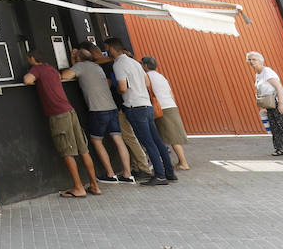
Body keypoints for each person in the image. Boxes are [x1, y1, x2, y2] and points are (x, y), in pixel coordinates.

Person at [23, 50, 101, 198]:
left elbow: (27, 80)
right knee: (83, 150)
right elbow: (59, 77)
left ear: (32, 58)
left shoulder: (37, 68)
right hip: (70, 111)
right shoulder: (51, 68)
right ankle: (95, 186)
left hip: (58, 115)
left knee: (67, 151)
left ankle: (78, 187)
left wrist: (31, 76)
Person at [106, 38, 176, 185]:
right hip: (147, 105)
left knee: (148, 143)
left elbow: (123, 87)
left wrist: (119, 90)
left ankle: (160, 176)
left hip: (134, 107)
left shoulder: (119, 64)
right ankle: (169, 172)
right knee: (157, 140)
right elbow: (147, 82)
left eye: (107, 48)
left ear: (112, 49)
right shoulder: (135, 62)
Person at [66, 46, 134, 184]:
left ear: (79, 59)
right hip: (112, 108)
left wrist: (72, 59)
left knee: (97, 141)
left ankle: (110, 174)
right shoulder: (97, 67)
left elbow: (66, 75)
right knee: (118, 140)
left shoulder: (81, 66)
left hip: (98, 110)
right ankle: (128, 175)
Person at [141, 56, 190, 171]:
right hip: (170, 106)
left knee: (167, 137)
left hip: (161, 108)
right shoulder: (161, 76)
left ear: (146, 66)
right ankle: (179, 162)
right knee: (170, 136)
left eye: (142, 64)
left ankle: (182, 163)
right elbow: (171, 93)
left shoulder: (147, 77)